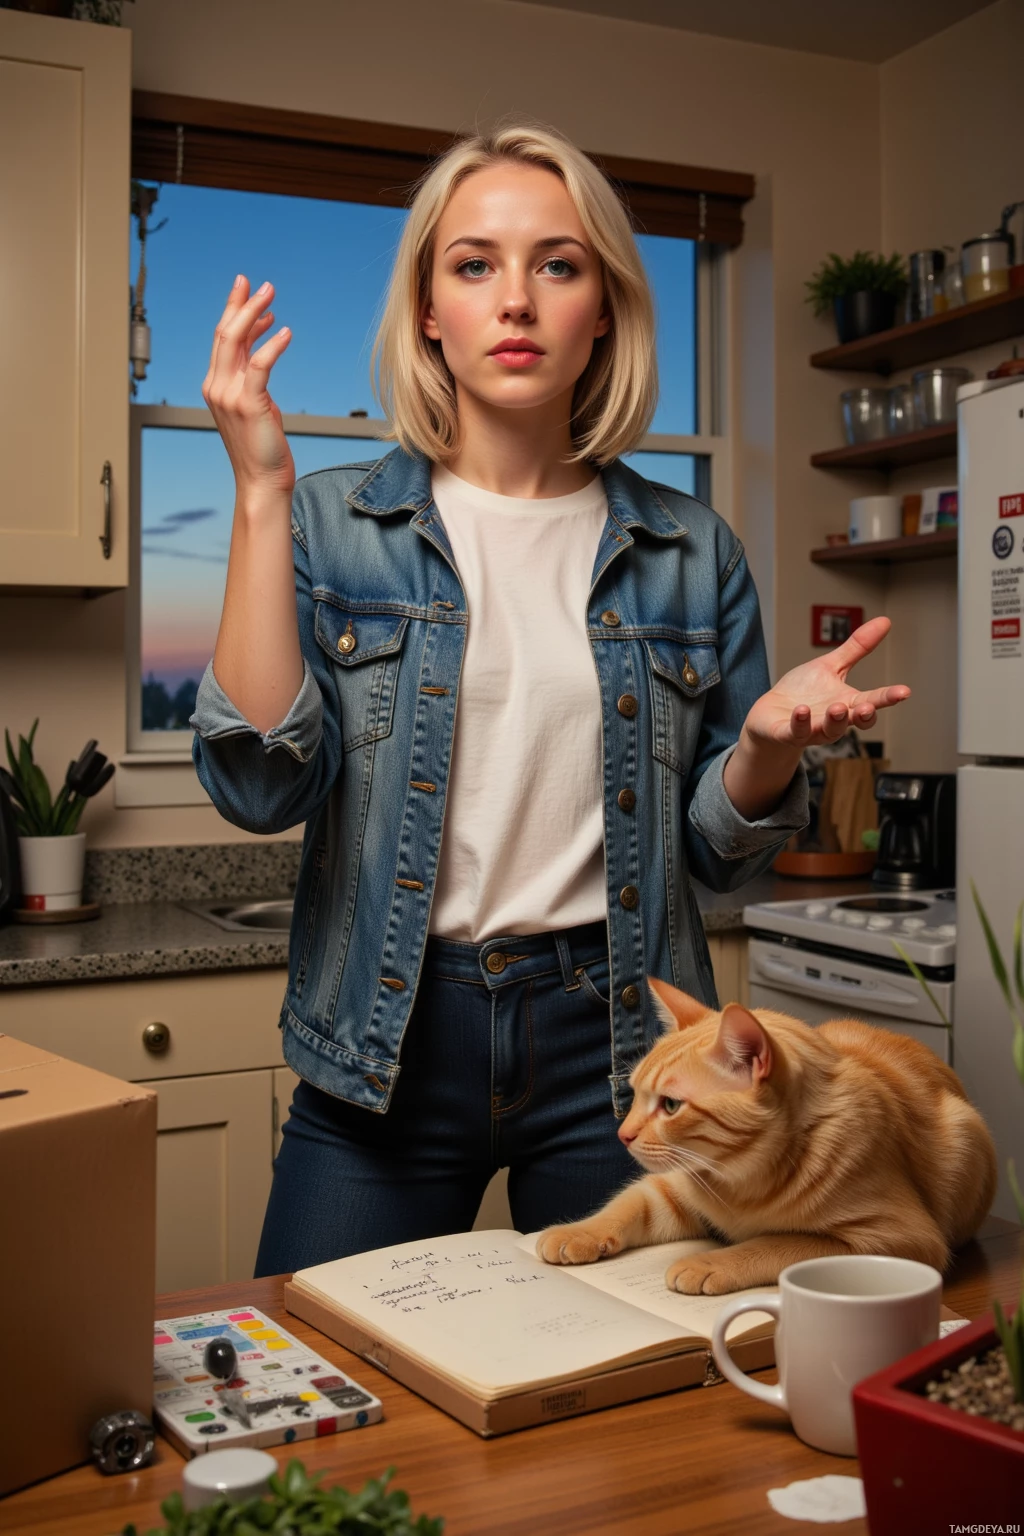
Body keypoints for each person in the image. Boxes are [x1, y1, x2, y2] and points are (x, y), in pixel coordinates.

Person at [192, 120, 910, 1276]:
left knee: (628, 1416)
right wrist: (262, 492)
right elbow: (260, 788)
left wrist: (768, 748)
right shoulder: (329, 523)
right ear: (430, 310)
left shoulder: (691, 550)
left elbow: (721, 860)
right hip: (386, 1039)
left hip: (623, 1046)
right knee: (319, 1392)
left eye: (557, 265)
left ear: (604, 309)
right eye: (474, 264)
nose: (515, 299)